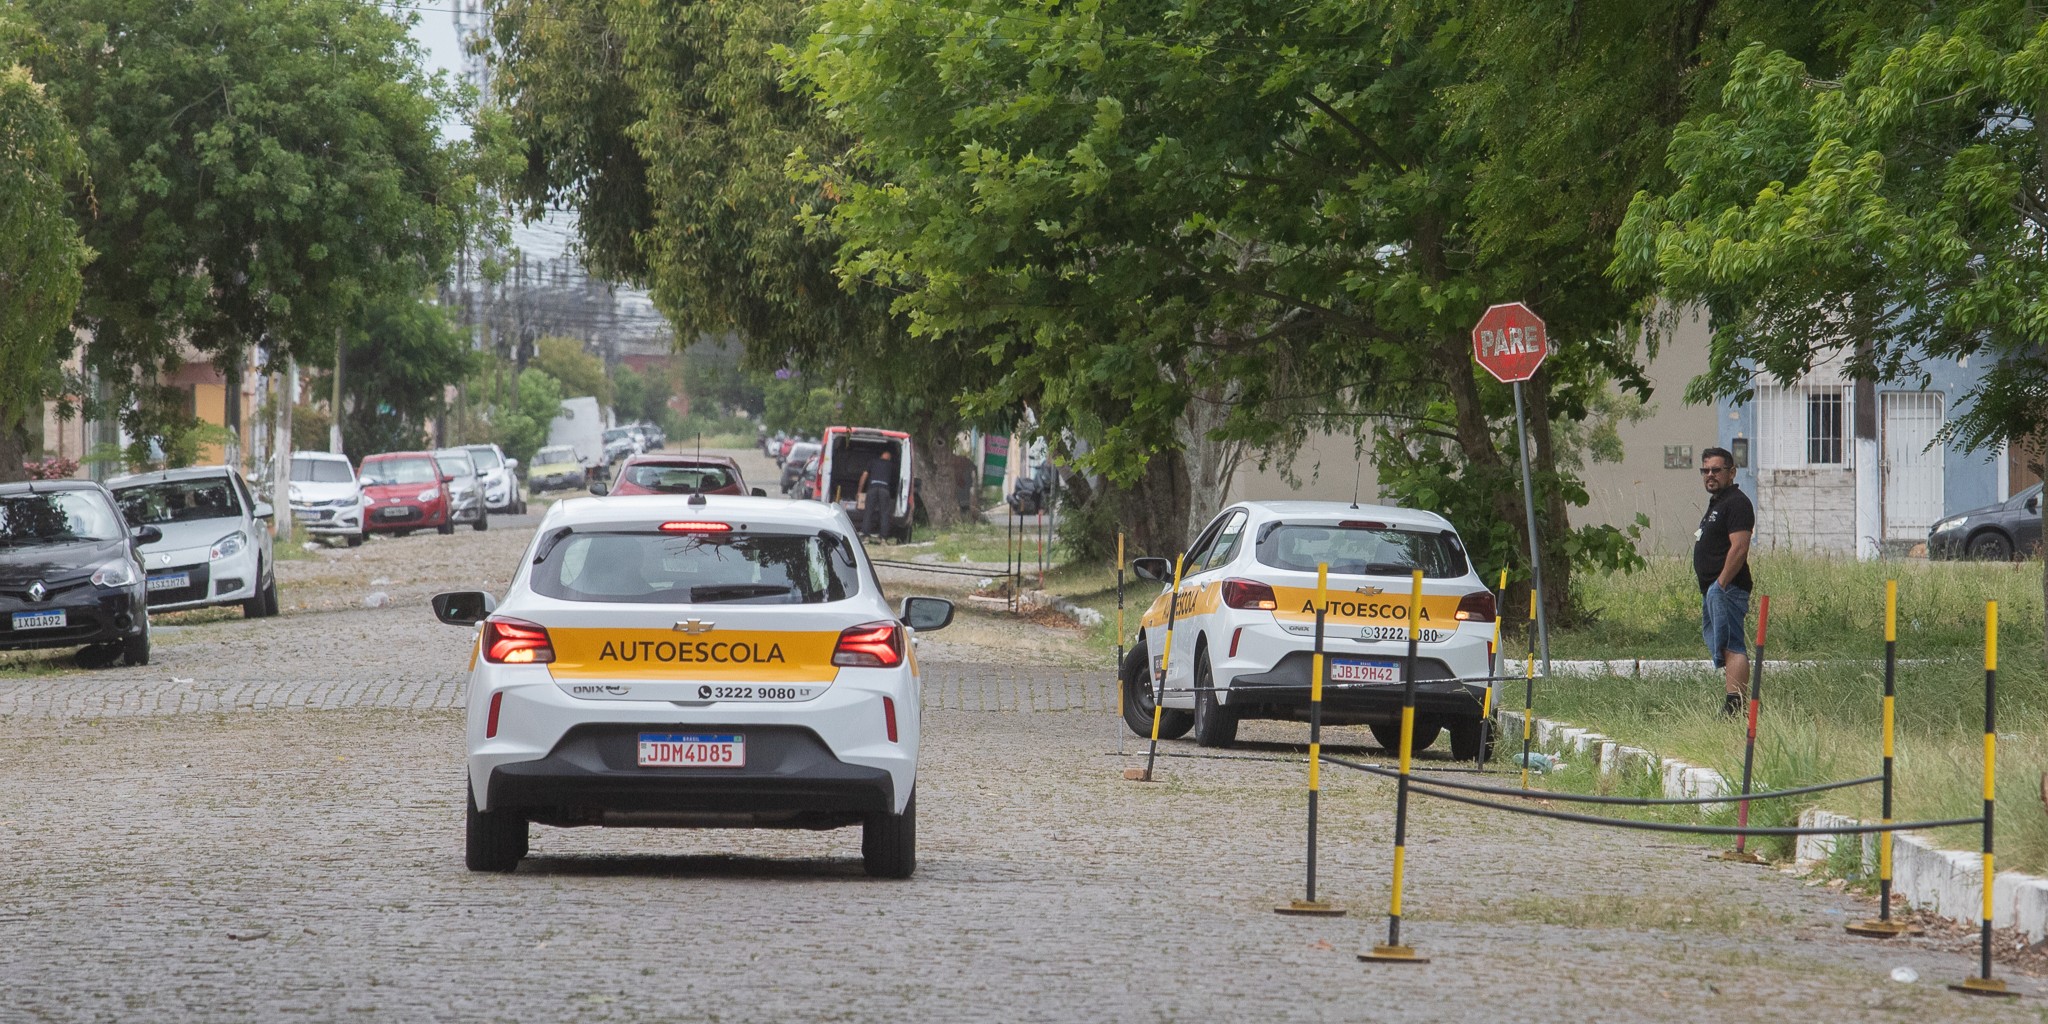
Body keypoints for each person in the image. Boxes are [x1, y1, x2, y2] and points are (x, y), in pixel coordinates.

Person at [1693, 446, 1755, 717]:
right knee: (1722, 645)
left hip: (1728, 588)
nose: (1710, 475)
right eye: (1705, 470)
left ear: (1731, 472)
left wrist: (1720, 584)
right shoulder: (1718, 503)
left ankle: (1736, 704)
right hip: (1715, 589)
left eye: (1716, 470)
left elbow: (1739, 548)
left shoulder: (1737, 502)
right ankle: (1733, 699)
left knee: (1732, 644)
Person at [855, 449, 897, 539]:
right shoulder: (891, 465)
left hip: (872, 488)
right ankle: (883, 536)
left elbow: (864, 476)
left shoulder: (872, 462)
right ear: (889, 458)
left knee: (868, 511)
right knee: (884, 513)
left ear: (881, 456)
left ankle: (865, 533)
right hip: (884, 490)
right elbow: (895, 480)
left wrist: (859, 491)